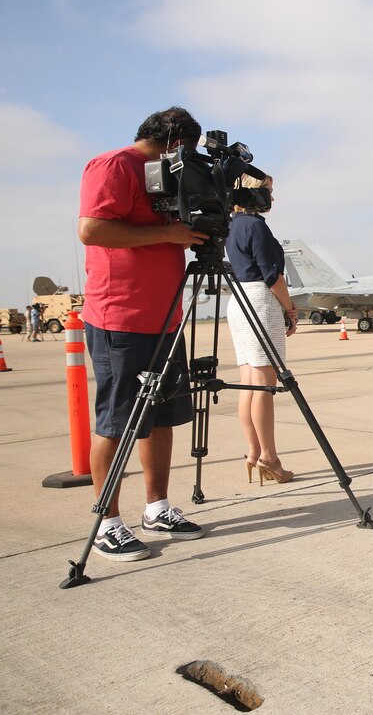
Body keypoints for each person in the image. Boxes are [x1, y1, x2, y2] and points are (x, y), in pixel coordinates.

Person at [77, 106, 210, 562]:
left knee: (164, 417)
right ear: (176, 141)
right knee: (117, 420)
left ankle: (157, 508)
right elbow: (91, 229)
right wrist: (168, 233)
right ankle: (107, 523)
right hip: (121, 317)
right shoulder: (116, 165)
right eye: (187, 150)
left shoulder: (166, 176)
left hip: (165, 318)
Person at [224, 173, 297, 485]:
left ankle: (253, 452)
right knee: (265, 384)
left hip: (238, 301)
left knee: (249, 381)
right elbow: (272, 275)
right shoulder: (255, 225)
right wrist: (289, 308)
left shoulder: (232, 225)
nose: (272, 198)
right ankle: (270, 456)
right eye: (268, 191)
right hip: (259, 300)